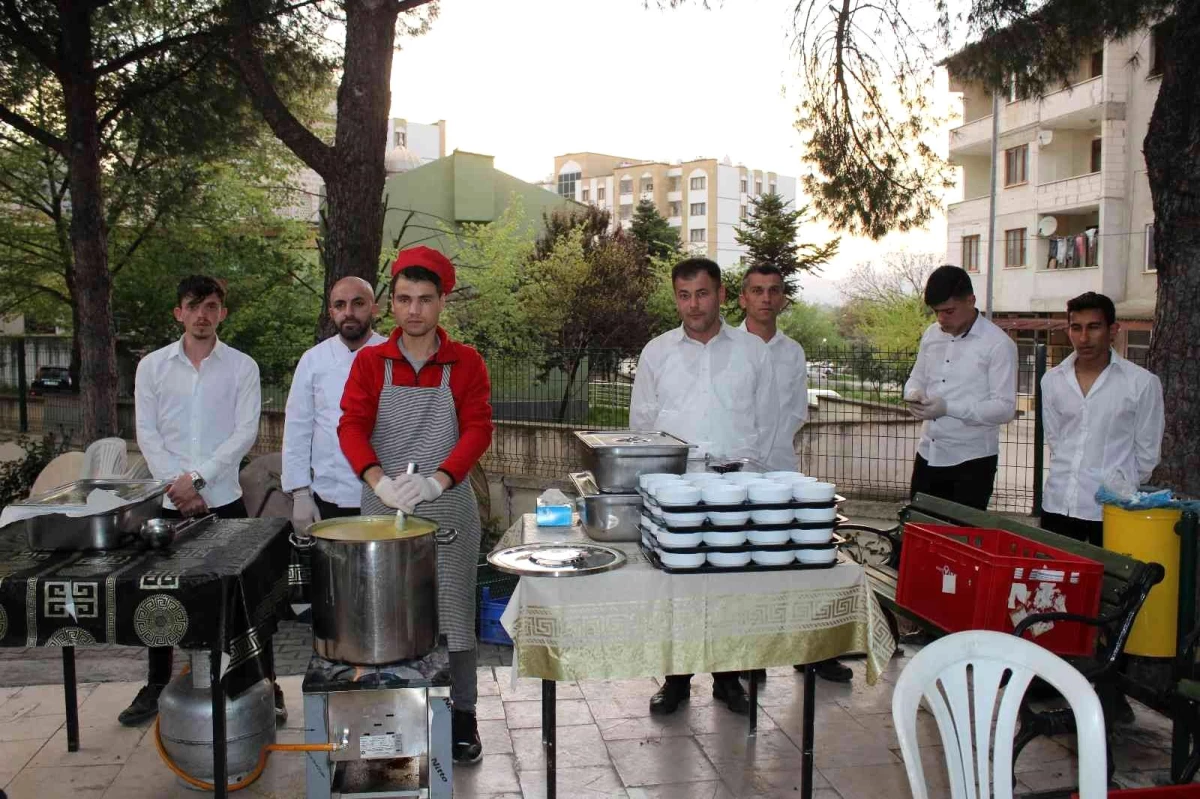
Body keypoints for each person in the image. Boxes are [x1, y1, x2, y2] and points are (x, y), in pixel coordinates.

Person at [338, 246, 493, 764]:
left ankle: (464, 714)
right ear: (392, 304)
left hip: (447, 507)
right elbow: (352, 426)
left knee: (453, 613)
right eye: (404, 299)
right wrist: (378, 481)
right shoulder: (370, 362)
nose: (414, 311)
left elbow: (477, 428)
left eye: (425, 299)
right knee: (388, 616)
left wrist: (439, 481)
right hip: (383, 507)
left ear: (441, 302)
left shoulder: (465, 362)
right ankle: (399, 709)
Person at [128, 275, 281, 725]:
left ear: (222, 313)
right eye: (193, 306)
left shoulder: (242, 367)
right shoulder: (152, 367)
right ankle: (156, 685)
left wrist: (197, 479)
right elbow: (148, 434)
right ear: (178, 312)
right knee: (157, 599)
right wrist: (177, 486)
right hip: (167, 504)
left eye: (211, 306)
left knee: (248, 598)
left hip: (225, 501)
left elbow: (244, 433)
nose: (202, 315)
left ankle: (264, 684)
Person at [630, 256, 778, 716]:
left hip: (737, 489)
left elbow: (769, 421)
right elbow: (642, 424)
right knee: (678, 588)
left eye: (702, 293)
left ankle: (728, 680)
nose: (693, 305)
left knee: (731, 587)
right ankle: (676, 680)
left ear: (721, 294)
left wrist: (754, 479)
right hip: (678, 492)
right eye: (683, 294)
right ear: (675, 297)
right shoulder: (657, 351)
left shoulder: (753, 351)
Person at [738, 264, 853, 685]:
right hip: (739, 475)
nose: (766, 298)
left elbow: (795, 411)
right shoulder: (730, 347)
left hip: (783, 470)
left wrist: (773, 454)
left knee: (795, 561)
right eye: (757, 290)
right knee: (744, 566)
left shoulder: (794, 351)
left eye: (774, 291)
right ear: (742, 299)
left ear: (783, 298)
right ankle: (749, 655)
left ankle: (810, 653)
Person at [1041, 292, 1164, 546]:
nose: (1084, 338)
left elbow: (1147, 455)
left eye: (1094, 327)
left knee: (1109, 585)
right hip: (1058, 504)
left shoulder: (1141, 384)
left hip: (1112, 511)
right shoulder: (1052, 381)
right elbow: (1056, 439)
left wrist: (1118, 485)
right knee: (1056, 583)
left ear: (1113, 330)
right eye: (1076, 328)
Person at [904, 265, 1017, 510]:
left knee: (959, 542)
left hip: (972, 462)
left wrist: (947, 408)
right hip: (928, 453)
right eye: (936, 312)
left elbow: (1005, 408)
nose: (941, 319)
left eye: (949, 311)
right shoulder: (932, 335)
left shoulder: (998, 345)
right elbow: (916, 378)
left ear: (971, 300)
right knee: (919, 536)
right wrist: (913, 395)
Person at [283, 277, 386, 530]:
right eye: (340, 305)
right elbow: (298, 429)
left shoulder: (392, 355)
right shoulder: (313, 360)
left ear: (374, 308)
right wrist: (300, 494)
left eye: (358, 303)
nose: (348, 313)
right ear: (331, 312)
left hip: (385, 498)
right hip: (326, 498)